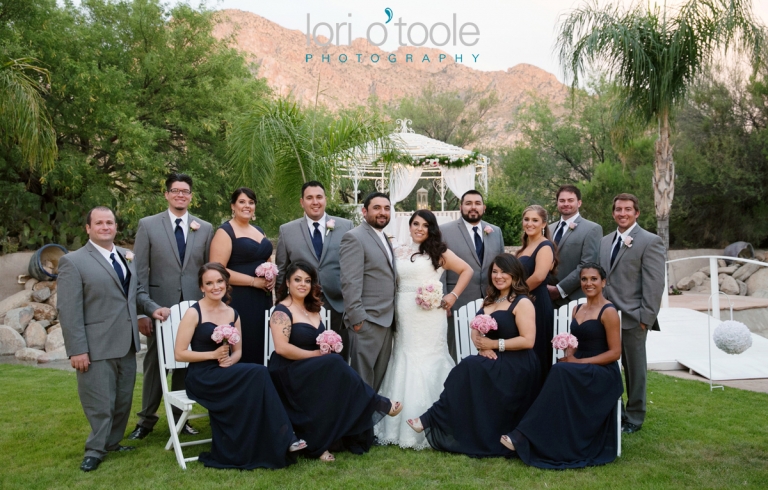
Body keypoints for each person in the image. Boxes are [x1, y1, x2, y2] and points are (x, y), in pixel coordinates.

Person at [57, 206, 170, 472]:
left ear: (115, 227)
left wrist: (153, 309)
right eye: (99, 223)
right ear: (88, 228)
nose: (105, 226)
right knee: (99, 401)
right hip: (95, 345)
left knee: (122, 399)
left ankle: (113, 442)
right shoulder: (73, 261)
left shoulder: (124, 256)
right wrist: (77, 350)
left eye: (110, 222)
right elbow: (68, 309)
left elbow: (136, 293)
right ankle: (95, 450)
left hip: (127, 342)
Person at [406, 254, 540, 458]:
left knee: (468, 367)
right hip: (493, 358)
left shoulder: (522, 302)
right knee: (468, 367)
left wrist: (494, 344)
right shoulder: (490, 300)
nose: (498, 276)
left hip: (518, 363)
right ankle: (435, 418)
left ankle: (430, 417)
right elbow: (476, 329)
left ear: (515, 275)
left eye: (504, 271)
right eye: (494, 271)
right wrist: (481, 346)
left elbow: (528, 341)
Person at [174, 262, 306, 469]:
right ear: (201, 287)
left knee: (259, 374)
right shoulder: (194, 313)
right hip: (201, 377)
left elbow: (238, 353)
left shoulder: (232, 313)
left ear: (226, 284)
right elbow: (180, 353)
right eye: (209, 283)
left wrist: (229, 360)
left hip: (225, 371)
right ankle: (287, 436)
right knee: (259, 373)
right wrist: (213, 354)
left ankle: (274, 440)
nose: (215, 286)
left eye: (219, 281)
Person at [268, 262, 403, 462]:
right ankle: (377, 402)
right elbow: (281, 348)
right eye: (297, 280)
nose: (303, 284)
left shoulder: (312, 309)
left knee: (334, 366)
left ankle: (327, 440)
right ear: (287, 282)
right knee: (334, 364)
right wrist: (317, 355)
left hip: (312, 369)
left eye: (307, 280)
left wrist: (328, 347)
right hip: (287, 371)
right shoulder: (281, 311)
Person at [502, 263, 624, 469]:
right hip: (579, 365)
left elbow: (615, 353)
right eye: (584, 279)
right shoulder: (577, 308)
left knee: (559, 371)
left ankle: (523, 434)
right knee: (558, 369)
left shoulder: (608, 311)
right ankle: (539, 436)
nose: (588, 283)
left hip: (602, 371)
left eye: (594, 279)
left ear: (603, 282)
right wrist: (569, 353)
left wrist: (578, 362)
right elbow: (576, 343)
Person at [375, 210, 473, 449]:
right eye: (415, 224)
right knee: (403, 356)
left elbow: (467, 270)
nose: (419, 228)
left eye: (425, 225)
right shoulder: (398, 251)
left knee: (430, 358)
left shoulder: (439, 252)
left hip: (430, 315)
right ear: (409, 227)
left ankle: (435, 420)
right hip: (404, 313)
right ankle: (397, 422)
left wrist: (452, 295)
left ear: (432, 229)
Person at [129, 173, 214, 441]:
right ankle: (146, 420)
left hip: (193, 309)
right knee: (156, 365)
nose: (180, 195)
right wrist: (144, 311)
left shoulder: (205, 227)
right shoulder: (148, 225)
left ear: (191, 196)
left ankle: (180, 419)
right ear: (166, 195)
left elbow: (208, 272)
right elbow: (139, 274)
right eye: (175, 191)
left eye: (185, 191)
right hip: (159, 310)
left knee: (185, 363)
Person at [599, 193, 665, 434]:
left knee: (635, 371)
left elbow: (655, 285)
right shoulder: (605, 241)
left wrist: (644, 319)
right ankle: (616, 413)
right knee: (608, 369)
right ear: (613, 212)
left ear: (636, 213)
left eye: (628, 209)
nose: (622, 213)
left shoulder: (650, 241)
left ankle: (635, 417)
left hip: (633, 319)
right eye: (618, 209)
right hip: (606, 317)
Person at [275, 181, 354, 360]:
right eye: (309, 198)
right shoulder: (287, 231)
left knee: (339, 358)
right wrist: (282, 303)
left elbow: (352, 268)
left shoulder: (346, 226)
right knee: (308, 358)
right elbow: (281, 271)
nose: (315, 202)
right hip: (301, 307)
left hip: (338, 305)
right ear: (302, 202)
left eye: (319, 197)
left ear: (325, 199)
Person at [339, 192, 397, 392]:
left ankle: (371, 423)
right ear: (364, 211)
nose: (383, 212)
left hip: (386, 321)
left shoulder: (383, 238)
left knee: (377, 381)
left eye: (387, 208)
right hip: (367, 322)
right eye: (377, 208)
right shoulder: (354, 237)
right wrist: (357, 320)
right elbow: (349, 281)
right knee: (361, 383)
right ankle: (359, 424)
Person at [210, 187, 274, 364]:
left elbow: (267, 261)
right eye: (242, 202)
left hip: (262, 300)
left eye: (251, 202)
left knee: (262, 344)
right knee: (243, 344)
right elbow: (218, 270)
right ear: (233, 206)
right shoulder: (225, 232)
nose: (247, 206)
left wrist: (272, 275)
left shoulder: (259, 231)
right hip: (238, 299)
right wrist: (254, 281)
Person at [440, 190, 505, 360]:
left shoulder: (495, 231)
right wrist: (444, 298)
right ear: (461, 207)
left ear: (483, 207)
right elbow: (440, 269)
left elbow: (502, 266)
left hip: (492, 301)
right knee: (457, 348)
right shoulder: (445, 231)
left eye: (477, 203)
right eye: (468, 203)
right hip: (458, 301)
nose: (473, 207)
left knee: (488, 350)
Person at [516, 204, 558, 384]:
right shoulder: (523, 248)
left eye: (535, 220)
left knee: (537, 351)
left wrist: (512, 294)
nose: (530, 223)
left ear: (543, 224)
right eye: (526, 219)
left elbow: (539, 277)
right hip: (522, 304)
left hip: (537, 305)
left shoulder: (545, 246)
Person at [547, 185, 603, 308]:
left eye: (570, 200)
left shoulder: (592, 229)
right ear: (557, 203)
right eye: (562, 201)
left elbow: (587, 265)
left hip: (574, 299)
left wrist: (559, 290)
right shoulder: (548, 229)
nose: (566, 203)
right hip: (545, 297)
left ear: (579, 203)